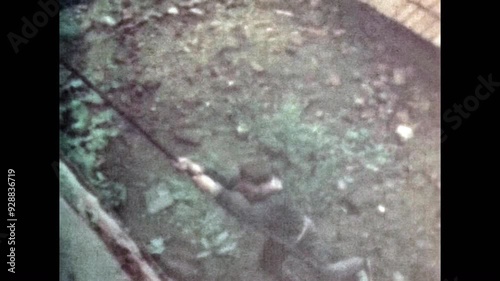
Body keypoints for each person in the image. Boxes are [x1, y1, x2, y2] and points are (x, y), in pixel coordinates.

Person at [174, 157, 372, 281]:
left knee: (325, 272)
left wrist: (214, 190)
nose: (241, 187)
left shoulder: (277, 200)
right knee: (268, 265)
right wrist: (196, 168)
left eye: (246, 186)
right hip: (278, 235)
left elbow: (249, 215)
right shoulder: (252, 182)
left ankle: (361, 264)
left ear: (260, 186)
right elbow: (228, 181)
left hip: (299, 236)